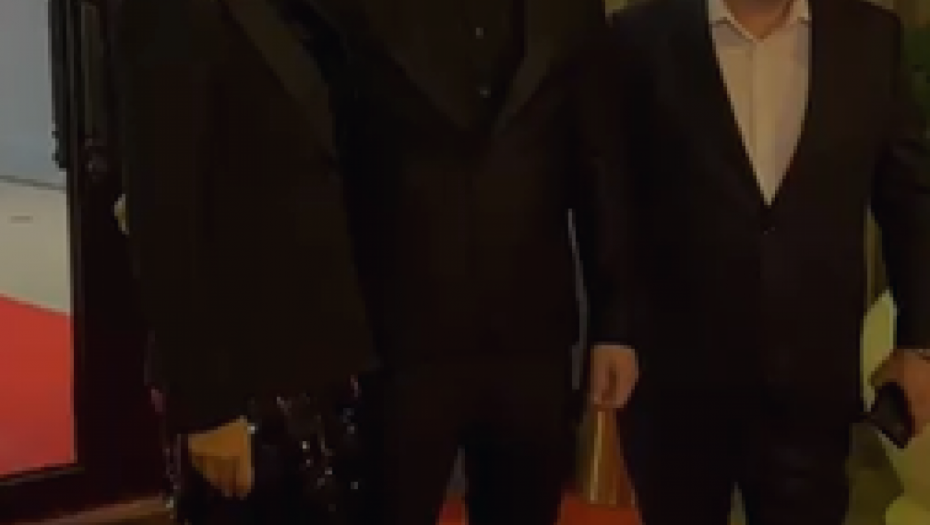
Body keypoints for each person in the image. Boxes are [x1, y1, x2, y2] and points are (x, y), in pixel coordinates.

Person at [599, 0, 930, 524]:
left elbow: (909, 199)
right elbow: (613, 198)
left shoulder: (870, 38)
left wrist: (918, 342)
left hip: (813, 381)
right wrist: (612, 331)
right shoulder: (639, 37)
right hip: (676, 381)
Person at [332, 0, 637, 523]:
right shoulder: (352, 11)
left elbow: (600, 165)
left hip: (532, 337)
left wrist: (615, 326)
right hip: (397, 339)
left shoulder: (572, 11)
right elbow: (328, 168)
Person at [113, 0, 376, 522]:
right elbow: (164, 221)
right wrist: (208, 410)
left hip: (325, 363)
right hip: (244, 384)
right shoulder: (169, 12)